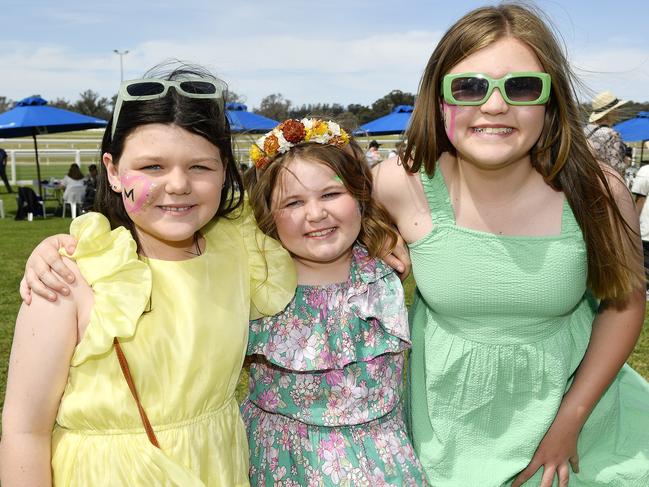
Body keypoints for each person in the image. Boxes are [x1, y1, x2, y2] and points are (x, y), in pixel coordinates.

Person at [372, 4, 649, 486]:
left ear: (550, 100)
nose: (495, 105)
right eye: (469, 87)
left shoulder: (598, 194)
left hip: (582, 430)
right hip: (446, 436)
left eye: (521, 86)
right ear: (439, 100)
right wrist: (374, 235)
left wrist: (570, 422)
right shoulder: (400, 184)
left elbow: (625, 304)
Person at [0, 64, 296, 486]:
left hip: (219, 467)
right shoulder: (70, 277)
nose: (178, 184)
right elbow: (24, 430)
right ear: (114, 171)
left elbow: (323, 221)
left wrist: (385, 238)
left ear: (225, 170)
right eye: (153, 166)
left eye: (200, 167)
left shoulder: (241, 249)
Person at [244, 118, 426, 486]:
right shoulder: (255, 282)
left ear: (360, 196)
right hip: (280, 463)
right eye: (293, 202)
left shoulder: (383, 271)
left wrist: (385, 231)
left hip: (378, 461)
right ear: (269, 215)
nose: (315, 214)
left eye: (330, 194)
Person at [584, 90, 630, 178]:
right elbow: (617, 169)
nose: (618, 112)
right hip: (603, 184)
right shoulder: (612, 135)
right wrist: (627, 161)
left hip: (584, 181)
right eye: (616, 109)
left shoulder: (584, 130)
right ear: (611, 112)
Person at [631, 163, 649, 297]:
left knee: (644, 260)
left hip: (645, 228)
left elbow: (639, 200)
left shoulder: (645, 171)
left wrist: (632, 225)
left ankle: (645, 289)